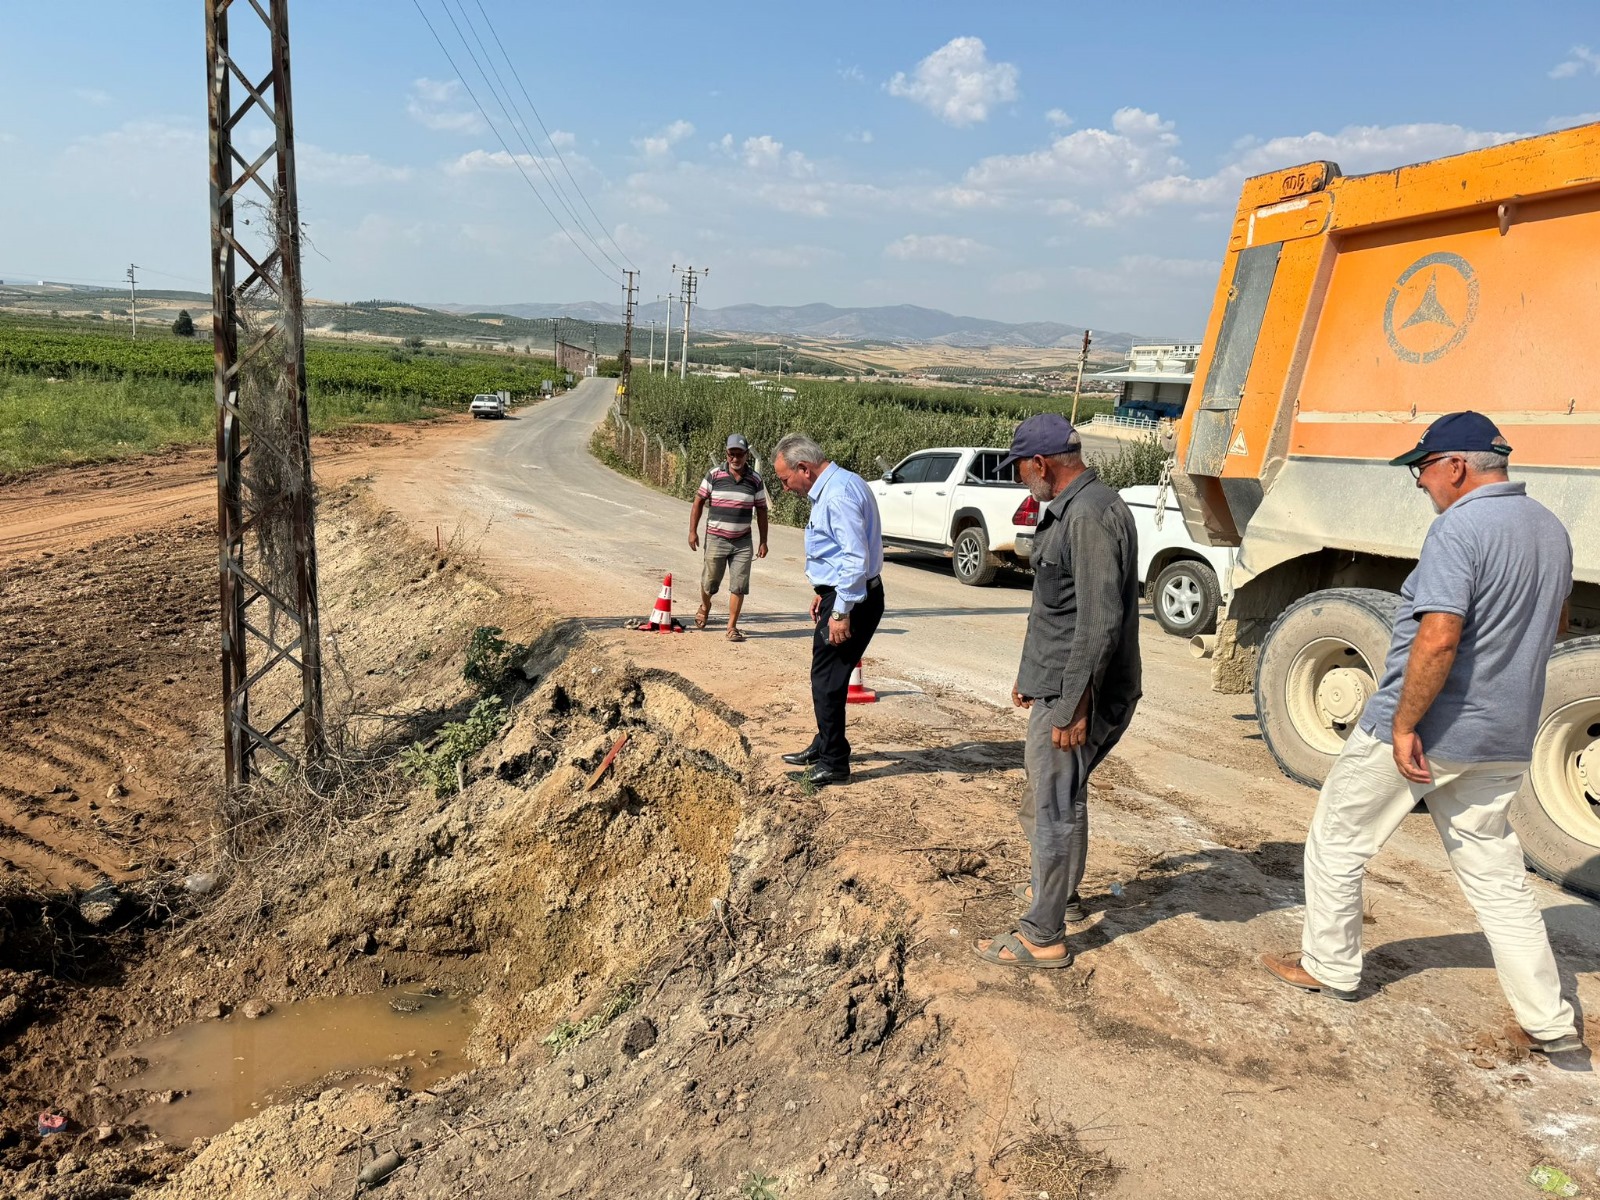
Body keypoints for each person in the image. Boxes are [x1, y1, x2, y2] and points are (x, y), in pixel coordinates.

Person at [1262, 412, 1582, 1055]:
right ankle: (1550, 1022)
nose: (1419, 483)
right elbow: (1559, 621)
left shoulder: (1459, 529)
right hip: (1503, 736)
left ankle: (1329, 966)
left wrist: (1405, 723)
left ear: (1457, 467)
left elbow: (1438, 636)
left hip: (1428, 730)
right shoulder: (1550, 529)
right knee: (1497, 876)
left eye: (1423, 468)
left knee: (1338, 839)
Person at [975, 413, 1142, 969]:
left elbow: (1099, 622)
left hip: (1078, 695)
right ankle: (1062, 898)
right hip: (1063, 684)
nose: (1023, 479)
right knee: (1056, 798)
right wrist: (1035, 678)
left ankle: (1042, 935)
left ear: (1041, 464)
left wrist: (1070, 706)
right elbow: (1061, 609)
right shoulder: (1091, 506)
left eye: (1023, 469)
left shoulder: (1088, 517)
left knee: (1051, 807)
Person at [770, 433, 884, 789]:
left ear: (803, 468)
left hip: (853, 599)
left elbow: (854, 558)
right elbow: (842, 553)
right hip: (843, 594)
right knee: (829, 677)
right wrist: (827, 593)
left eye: (786, 480)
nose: (786, 489)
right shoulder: (845, 483)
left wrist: (841, 610)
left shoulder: (836, 496)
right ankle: (824, 744)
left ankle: (835, 761)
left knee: (827, 681)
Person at [688, 434, 770, 642]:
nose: (735, 458)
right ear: (726, 454)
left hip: (742, 541)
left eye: (739, 454)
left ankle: (731, 626)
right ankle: (705, 605)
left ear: (746, 455)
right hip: (716, 538)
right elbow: (698, 502)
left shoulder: (755, 480)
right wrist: (692, 531)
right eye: (731, 454)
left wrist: (763, 541)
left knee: (739, 585)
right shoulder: (714, 475)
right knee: (710, 581)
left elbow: (761, 511)